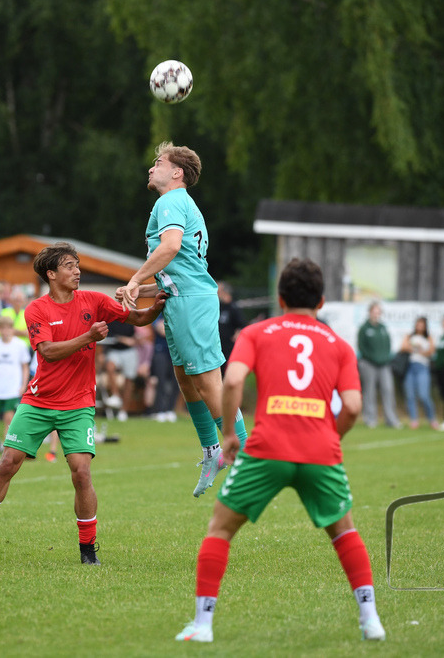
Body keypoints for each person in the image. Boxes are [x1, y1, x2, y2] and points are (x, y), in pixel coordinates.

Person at [175, 258, 385, 643]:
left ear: (280, 297)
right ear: (321, 302)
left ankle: (203, 626)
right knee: (344, 531)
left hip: (267, 448)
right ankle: (371, 619)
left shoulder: (256, 332)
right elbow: (353, 406)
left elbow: (234, 380)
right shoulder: (338, 345)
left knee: (220, 529)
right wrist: (331, 436)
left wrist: (228, 436)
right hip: (319, 450)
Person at [0, 242, 167, 566]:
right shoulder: (36, 310)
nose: (77, 270)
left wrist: (155, 309)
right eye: (69, 265)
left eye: (77, 264)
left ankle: (87, 549)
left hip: (79, 403)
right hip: (38, 400)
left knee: (81, 472)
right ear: (51, 274)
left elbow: (136, 317)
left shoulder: (94, 301)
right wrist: (88, 338)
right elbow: (48, 352)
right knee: (8, 463)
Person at [118, 141, 247, 497]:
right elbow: (175, 267)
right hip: (179, 300)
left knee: (208, 384)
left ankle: (246, 456)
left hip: (191, 302)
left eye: (157, 162)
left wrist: (135, 279)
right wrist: (137, 291)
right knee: (187, 381)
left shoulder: (171, 200)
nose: (150, 168)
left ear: (177, 172)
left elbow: (171, 246)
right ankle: (212, 452)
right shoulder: (173, 202)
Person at [0, 315, 31, 460]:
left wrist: (23, 385)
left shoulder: (20, 345)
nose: (5, 331)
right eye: (2, 328)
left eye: (8, 328)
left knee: (8, 420)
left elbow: (24, 367)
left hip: (12, 388)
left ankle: (5, 449)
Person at [356, 302, 401, 429]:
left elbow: (388, 345)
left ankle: (391, 419)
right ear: (370, 312)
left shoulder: (383, 328)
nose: (376, 314)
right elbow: (362, 347)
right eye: (374, 311)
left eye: (378, 312)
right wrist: (373, 359)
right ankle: (370, 419)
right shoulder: (364, 328)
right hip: (369, 363)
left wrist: (385, 358)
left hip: (384, 364)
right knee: (369, 391)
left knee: (388, 390)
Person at [400, 317, 439, 430]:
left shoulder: (428, 337)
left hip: (422, 368)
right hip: (410, 368)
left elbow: (431, 351)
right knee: (410, 395)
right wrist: (414, 348)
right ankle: (414, 420)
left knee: (423, 395)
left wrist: (421, 350)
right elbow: (403, 347)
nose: (419, 326)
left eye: (422, 325)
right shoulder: (409, 336)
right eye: (418, 324)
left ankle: (432, 418)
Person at [216, 281, 245, 371]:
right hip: (218, 347)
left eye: (218, 291)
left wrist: (237, 334)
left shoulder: (233, 307)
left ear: (224, 292)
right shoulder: (218, 306)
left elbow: (241, 324)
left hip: (228, 348)